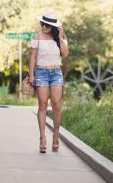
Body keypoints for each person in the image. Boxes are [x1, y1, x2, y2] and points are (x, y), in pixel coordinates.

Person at [29, 10, 69, 153]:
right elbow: (33, 57)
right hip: (41, 73)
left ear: (53, 26)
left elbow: (64, 54)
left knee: (57, 105)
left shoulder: (60, 37)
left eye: (46, 25)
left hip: (56, 73)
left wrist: (60, 36)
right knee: (42, 105)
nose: (43, 26)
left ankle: (56, 136)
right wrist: (31, 75)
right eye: (42, 23)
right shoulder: (37, 37)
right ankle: (42, 138)